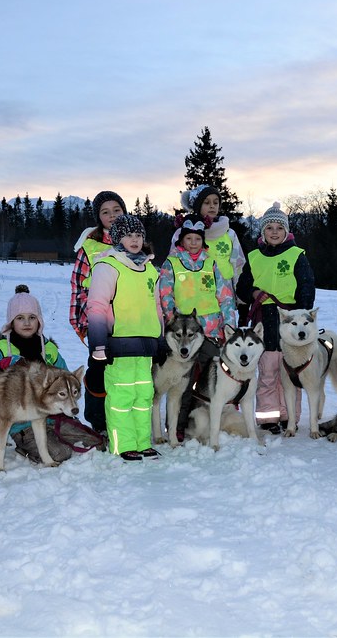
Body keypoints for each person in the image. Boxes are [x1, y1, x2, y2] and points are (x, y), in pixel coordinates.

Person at [87, 214, 164, 460]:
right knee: (122, 397)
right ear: (118, 238)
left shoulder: (149, 268)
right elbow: (96, 306)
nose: (135, 240)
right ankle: (123, 444)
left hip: (146, 345)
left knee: (143, 397)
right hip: (118, 345)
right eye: (129, 235)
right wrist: (98, 343)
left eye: (139, 235)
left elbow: (157, 307)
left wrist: (161, 341)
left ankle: (143, 442)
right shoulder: (108, 266)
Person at [236, 202, 316, 434]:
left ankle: (289, 417)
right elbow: (242, 288)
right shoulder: (253, 257)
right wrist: (253, 293)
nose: (274, 232)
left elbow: (306, 286)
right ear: (262, 232)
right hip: (263, 320)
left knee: (290, 373)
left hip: (290, 320)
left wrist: (302, 316)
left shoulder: (296, 255)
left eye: (278, 228)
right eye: (269, 227)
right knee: (268, 372)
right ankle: (269, 418)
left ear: (286, 231)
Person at [157, 213, 237, 440]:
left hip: (211, 331)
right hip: (183, 334)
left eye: (198, 239)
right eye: (189, 238)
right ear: (181, 240)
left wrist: (229, 323)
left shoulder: (211, 263)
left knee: (215, 376)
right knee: (182, 383)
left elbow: (225, 295)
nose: (193, 243)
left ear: (203, 240)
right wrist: (171, 320)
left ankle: (216, 422)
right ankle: (177, 427)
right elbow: (165, 293)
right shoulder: (171, 263)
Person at [0, 284, 75, 462]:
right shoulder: (0, 350)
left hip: (52, 416)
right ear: (11, 321)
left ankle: (53, 433)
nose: (27, 323)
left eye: (32, 317)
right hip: (21, 422)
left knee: (91, 444)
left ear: (39, 320)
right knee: (60, 454)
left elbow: (67, 378)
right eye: (20, 318)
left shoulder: (48, 349)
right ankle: (23, 445)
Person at [70, 190, 126, 434]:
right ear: (98, 217)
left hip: (129, 323)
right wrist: (81, 323)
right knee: (98, 372)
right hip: (99, 323)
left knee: (127, 373)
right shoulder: (89, 248)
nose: (112, 215)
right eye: (106, 212)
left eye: (117, 210)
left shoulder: (136, 242)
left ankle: (124, 420)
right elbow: (78, 287)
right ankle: (99, 424)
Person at [176, 184, 246, 322]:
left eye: (216, 202)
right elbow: (174, 264)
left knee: (224, 333)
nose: (212, 206)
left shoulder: (229, 233)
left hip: (224, 294)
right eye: (206, 202)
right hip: (193, 292)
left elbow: (239, 265)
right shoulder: (184, 233)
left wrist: (242, 296)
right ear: (197, 206)